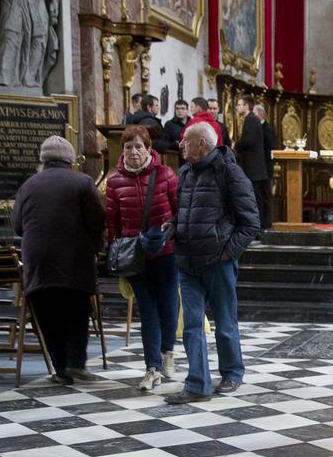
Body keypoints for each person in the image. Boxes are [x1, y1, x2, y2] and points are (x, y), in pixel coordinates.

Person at [165, 122, 259, 403]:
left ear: (203, 144)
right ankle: (197, 384)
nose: (181, 145)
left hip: (218, 261)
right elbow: (180, 212)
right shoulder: (184, 173)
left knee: (225, 322)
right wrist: (171, 226)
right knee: (192, 325)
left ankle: (232, 373)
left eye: (187, 141)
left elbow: (251, 222)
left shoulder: (229, 172)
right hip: (187, 260)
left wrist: (227, 253)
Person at [11, 136, 104, 385]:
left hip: (38, 261)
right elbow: (97, 221)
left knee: (48, 314)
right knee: (77, 311)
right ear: (70, 159)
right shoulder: (83, 182)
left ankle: (61, 369)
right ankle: (76, 365)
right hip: (75, 260)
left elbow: (17, 226)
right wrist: (98, 249)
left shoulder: (28, 185)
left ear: (43, 159)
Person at [105, 125, 180, 391]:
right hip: (134, 254)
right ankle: (152, 368)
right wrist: (116, 248)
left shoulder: (166, 175)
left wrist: (170, 229)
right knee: (147, 310)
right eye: (128, 147)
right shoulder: (114, 181)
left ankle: (168, 352)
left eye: (138, 146)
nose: (133, 151)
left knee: (169, 307)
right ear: (122, 151)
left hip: (165, 252)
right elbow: (112, 222)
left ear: (148, 149)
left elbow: (178, 211)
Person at [233, 95, 270, 231]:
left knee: (255, 198)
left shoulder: (250, 120)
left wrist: (236, 145)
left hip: (253, 168)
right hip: (256, 168)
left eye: (239, 104)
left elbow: (248, 141)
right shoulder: (253, 120)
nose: (237, 107)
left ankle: (256, 227)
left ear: (246, 106)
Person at [254, 103, 277, 190]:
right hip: (258, 167)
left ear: (260, 114)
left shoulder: (267, 128)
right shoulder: (257, 127)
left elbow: (270, 146)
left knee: (265, 192)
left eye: (254, 113)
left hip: (265, 166)